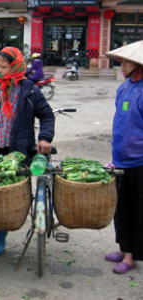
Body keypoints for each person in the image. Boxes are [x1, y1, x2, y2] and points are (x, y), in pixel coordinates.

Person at [0, 47, 54, 258]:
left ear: (16, 66)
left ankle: (0, 240)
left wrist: (44, 138)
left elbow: (47, 116)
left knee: (4, 198)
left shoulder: (29, 90)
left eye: (4, 67)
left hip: (15, 154)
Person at [104, 41, 143, 274]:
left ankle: (131, 256)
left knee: (136, 210)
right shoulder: (124, 88)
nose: (122, 65)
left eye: (126, 62)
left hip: (139, 161)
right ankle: (123, 247)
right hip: (120, 159)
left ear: (138, 64)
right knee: (121, 208)